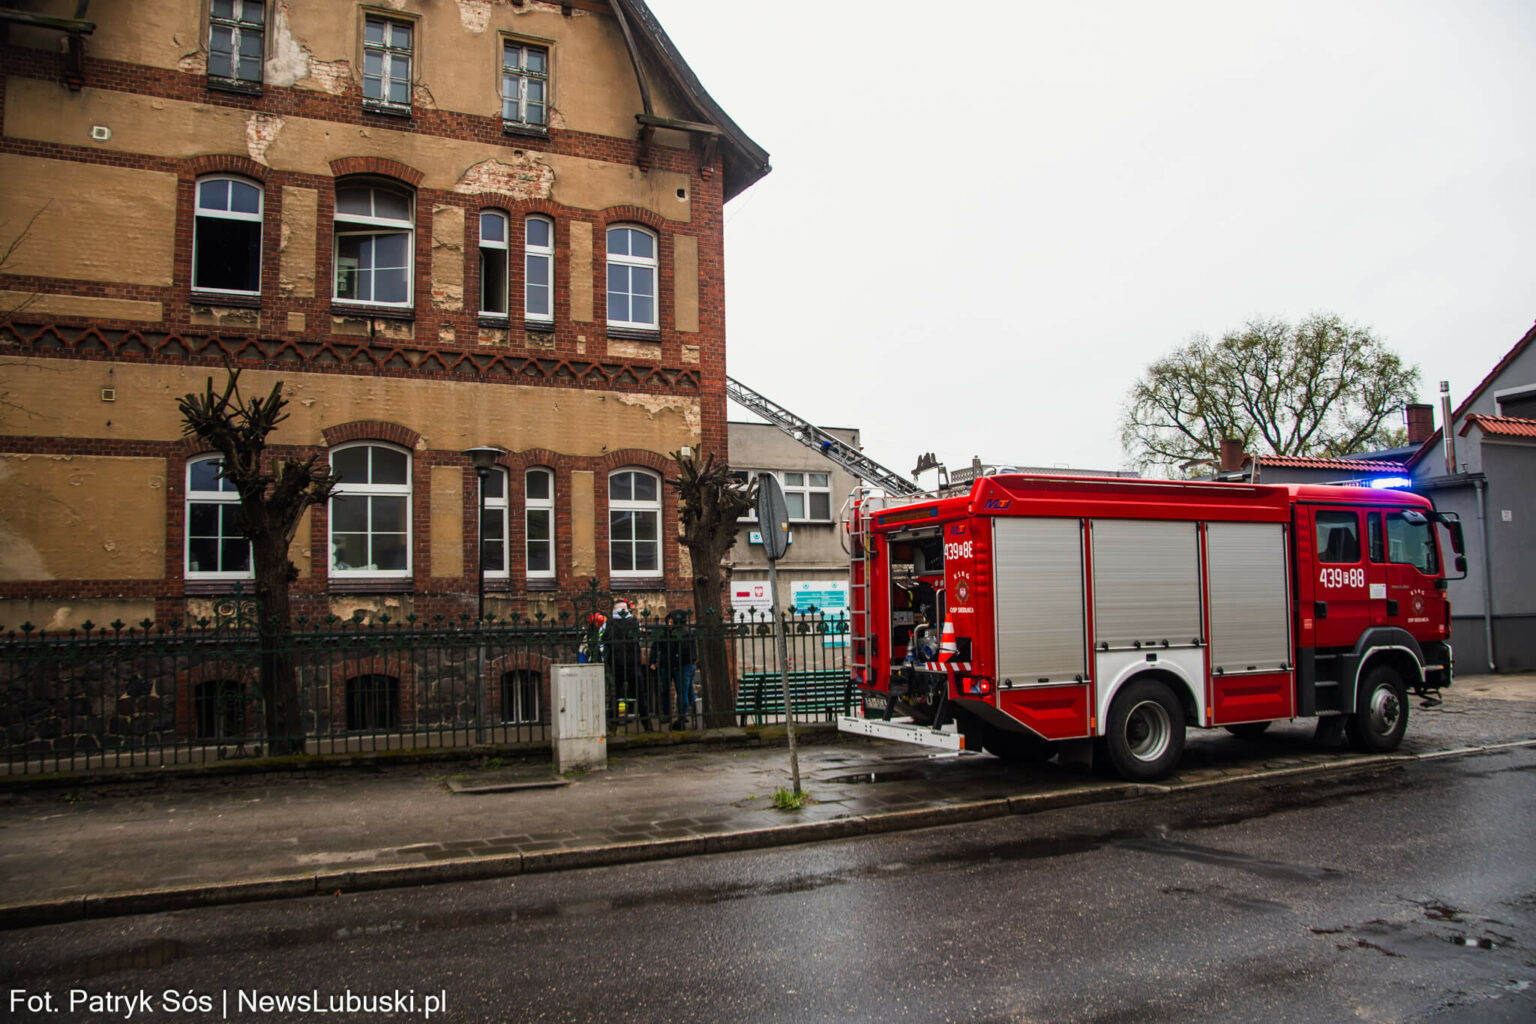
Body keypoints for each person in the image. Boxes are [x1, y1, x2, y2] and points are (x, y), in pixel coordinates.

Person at [650, 609, 697, 730]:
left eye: (671, 620)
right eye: (669, 620)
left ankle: (684, 715)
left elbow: (686, 652)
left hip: (679, 666)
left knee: (684, 691)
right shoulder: (665, 632)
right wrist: (653, 661)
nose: (669, 622)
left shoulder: (685, 632)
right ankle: (669, 714)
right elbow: (656, 646)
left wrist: (676, 663)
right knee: (667, 690)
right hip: (666, 665)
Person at [605, 600, 647, 726]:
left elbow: (603, 641)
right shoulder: (634, 622)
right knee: (640, 694)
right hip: (632, 662)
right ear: (625, 609)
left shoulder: (609, 623)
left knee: (618, 694)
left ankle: (618, 717)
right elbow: (639, 639)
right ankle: (646, 722)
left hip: (616, 663)